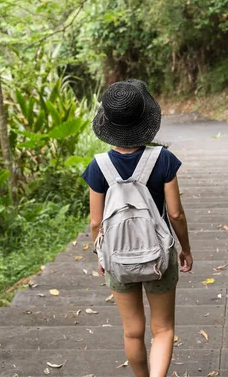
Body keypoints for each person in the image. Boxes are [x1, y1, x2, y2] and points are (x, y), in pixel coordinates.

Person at [81, 79, 193, 377]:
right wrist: (186, 249)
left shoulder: (98, 166)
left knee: (132, 332)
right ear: (146, 120)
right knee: (163, 328)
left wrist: (100, 255)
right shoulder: (164, 160)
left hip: (117, 256)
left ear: (108, 123)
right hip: (159, 256)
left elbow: (95, 222)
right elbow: (176, 213)